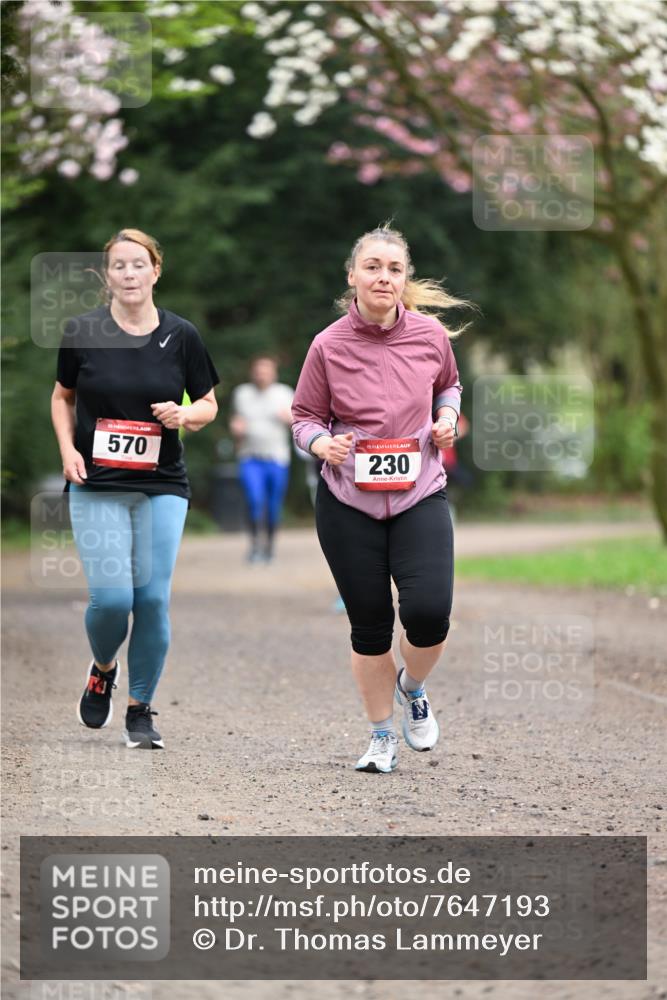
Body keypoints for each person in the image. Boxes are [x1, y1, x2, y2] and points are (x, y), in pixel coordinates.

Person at [292, 223, 470, 773]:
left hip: (420, 494)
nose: (383, 277)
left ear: (405, 279)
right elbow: (304, 417)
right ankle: (380, 737)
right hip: (349, 503)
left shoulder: (429, 336)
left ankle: (412, 686)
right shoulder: (327, 345)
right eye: (372, 266)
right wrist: (324, 443)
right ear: (353, 276)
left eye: (394, 269)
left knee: (429, 613)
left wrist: (444, 418)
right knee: (369, 625)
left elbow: (449, 385)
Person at [51, 228, 219, 749]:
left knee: (151, 599)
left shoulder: (181, 335)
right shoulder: (82, 331)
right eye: (119, 265)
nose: (129, 274)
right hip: (96, 481)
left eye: (138, 264)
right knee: (111, 599)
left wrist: (185, 413)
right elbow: (62, 397)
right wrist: (68, 450)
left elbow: (209, 405)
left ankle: (140, 710)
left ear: (155, 271)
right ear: (108, 274)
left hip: (161, 484)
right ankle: (103, 668)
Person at [230, 356, 294, 562]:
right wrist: (236, 429)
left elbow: (300, 423)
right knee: (254, 500)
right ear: (252, 372)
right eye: (258, 370)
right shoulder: (242, 393)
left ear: (273, 373)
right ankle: (255, 544)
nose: (262, 374)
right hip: (250, 457)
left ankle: (270, 546)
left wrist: (289, 420)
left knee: (274, 506)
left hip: (277, 458)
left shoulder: (285, 393)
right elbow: (236, 420)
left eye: (266, 371)